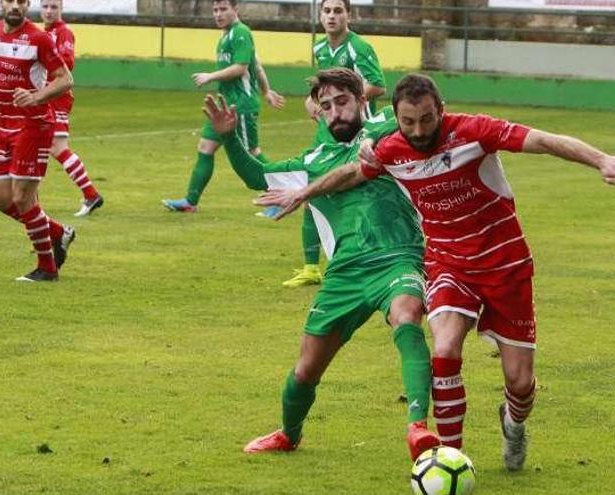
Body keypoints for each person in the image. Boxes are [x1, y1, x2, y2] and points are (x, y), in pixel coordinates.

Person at [259, 73, 615, 470]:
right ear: (397, 119)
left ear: (441, 109)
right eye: (408, 122)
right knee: (443, 348)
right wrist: (303, 193)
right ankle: (448, 458)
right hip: (447, 265)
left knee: (520, 382)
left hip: (504, 264)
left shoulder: (474, 131)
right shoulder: (392, 148)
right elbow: (353, 172)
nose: (418, 130)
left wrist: (601, 160)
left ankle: (513, 423)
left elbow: (542, 140)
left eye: (426, 119)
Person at [204, 68, 439, 460]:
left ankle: (418, 427)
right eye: (326, 106)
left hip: (399, 257)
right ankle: (288, 434)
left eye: (343, 101)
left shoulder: (386, 126)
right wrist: (229, 138)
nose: (335, 112)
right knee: (305, 370)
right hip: (344, 275)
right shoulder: (312, 161)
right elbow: (256, 176)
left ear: (362, 100)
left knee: (406, 315)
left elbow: (425, 125)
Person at [283, 0, 388, 289]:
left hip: (357, 131)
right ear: (320, 15)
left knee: (356, 194)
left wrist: (339, 100)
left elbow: (378, 84)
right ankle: (311, 267)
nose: (331, 16)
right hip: (329, 131)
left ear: (349, 15)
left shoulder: (359, 48)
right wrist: (315, 102)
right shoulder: (319, 48)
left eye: (337, 11)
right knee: (313, 189)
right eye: (327, 11)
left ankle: (364, 257)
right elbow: (318, 88)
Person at [0, 0, 76, 282]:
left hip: (34, 124)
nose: (15, 6)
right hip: (4, 125)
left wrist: (36, 97)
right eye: (10, 0)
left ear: (27, 5)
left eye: (22, 1)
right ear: (1, 3)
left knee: (23, 197)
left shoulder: (39, 38)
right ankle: (57, 232)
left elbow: (65, 79)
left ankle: (47, 269)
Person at [162, 0, 284, 213]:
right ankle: (190, 202)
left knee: (252, 153)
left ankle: (279, 198)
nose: (218, 14)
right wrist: (266, 91)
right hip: (224, 106)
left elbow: (242, 67)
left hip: (241, 106)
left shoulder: (241, 33)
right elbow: (257, 65)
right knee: (205, 148)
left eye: (223, 9)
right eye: (215, 10)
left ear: (235, 10)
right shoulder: (225, 37)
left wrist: (211, 76)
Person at [40, 0, 104, 217]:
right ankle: (28, 196)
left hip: (57, 96)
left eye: (53, 7)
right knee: (41, 145)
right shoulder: (45, 32)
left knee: (57, 147)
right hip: (46, 95)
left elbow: (67, 61)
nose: (49, 11)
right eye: (45, 6)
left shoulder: (63, 32)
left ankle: (91, 194)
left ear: (61, 9)